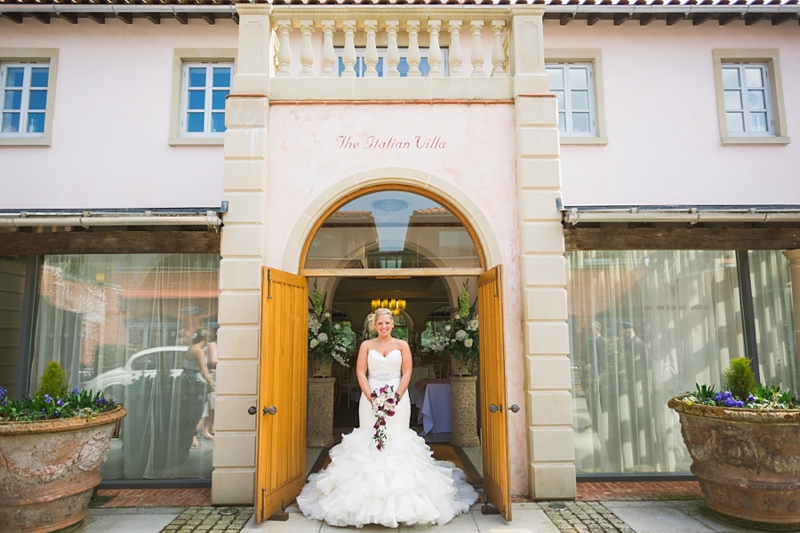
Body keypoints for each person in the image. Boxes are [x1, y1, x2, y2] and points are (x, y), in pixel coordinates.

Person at [297, 308, 478, 528]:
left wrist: (396, 397)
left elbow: (407, 373)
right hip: (370, 398)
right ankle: (367, 500)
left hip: (397, 397)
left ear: (393, 324)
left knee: (397, 439)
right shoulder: (366, 346)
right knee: (369, 439)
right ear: (374, 325)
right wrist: (371, 396)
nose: (384, 327)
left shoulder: (402, 345)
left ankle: (402, 501)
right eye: (380, 323)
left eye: (387, 323)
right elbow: (361, 372)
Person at [182, 328, 215, 448]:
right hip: (196, 380)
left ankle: (192, 436)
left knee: (196, 409)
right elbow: (203, 370)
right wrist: (212, 383)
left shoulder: (191, 347)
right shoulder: (198, 351)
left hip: (189, 378)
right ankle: (192, 436)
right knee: (202, 410)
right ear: (206, 338)